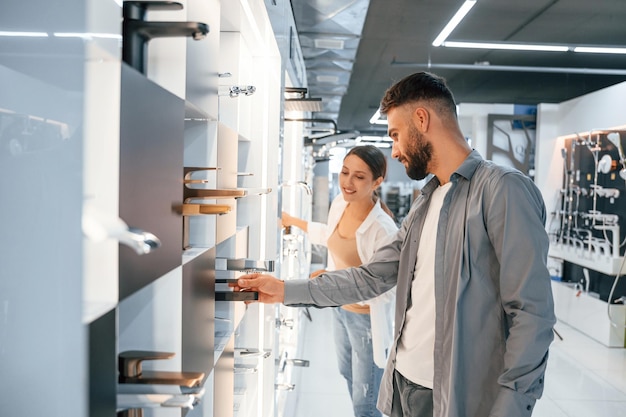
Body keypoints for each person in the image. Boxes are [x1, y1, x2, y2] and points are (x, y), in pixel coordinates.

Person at [235, 72, 556, 417]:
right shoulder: (426, 201)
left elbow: (532, 313)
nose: (395, 150)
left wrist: (511, 406)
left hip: (454, 396)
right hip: (405, 385)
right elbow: (371, 276)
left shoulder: (502, 190)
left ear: (422, 119)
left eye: (395, 135)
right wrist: (285, 290)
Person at [281, 145, 398, 417]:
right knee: (347, 373)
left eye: (359, 176)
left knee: (365, 399)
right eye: (345, 172)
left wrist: (332, 281)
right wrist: (293, 221)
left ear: (377, 182)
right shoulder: (339, 204)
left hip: (367, 320)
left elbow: (386, 289)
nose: (347, 182)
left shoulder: (382, 229)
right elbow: (331, 236)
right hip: (341, 312)